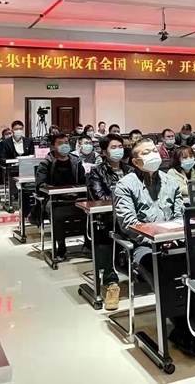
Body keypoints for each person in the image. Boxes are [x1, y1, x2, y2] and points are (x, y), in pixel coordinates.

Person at [114, 138, 195, 356]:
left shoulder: (170, 182)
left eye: (153, 151)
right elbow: (129, 224)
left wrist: (171, 238)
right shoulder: (125, 185)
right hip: (141, 247)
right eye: (146, 153)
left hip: (173, 242)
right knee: (166, 273)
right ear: (136, 161)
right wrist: (155, 240)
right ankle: (184, 331)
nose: (153, 155)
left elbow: (179, 215)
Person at [86, 133, 133, 310]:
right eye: (113, 147)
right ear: (105, 152)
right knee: (106, 238)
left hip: (130, 216)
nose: (118, 150)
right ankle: (111, 282)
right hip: (107, 218)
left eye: (120, 147)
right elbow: (100, 196)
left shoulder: (131, 170)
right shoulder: (97, 171)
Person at [35, 133, 87, 261]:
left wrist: (78, 192)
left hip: (76, 198)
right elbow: (41, 185)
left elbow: (84, 182)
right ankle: (61, 246)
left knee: (90, 211)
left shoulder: (76, 162)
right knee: (57, 213)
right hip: (55, 200)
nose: (64, 145)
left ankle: (88, 242)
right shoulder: (46, 163)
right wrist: (60, 193)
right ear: (53, 147)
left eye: (66, 143)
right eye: (60, 143)